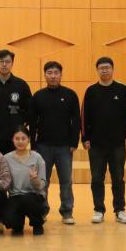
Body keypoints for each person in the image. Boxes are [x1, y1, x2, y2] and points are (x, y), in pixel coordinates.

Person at [82, 56, 126, 225]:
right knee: (97, 178)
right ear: (97, 70)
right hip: (96, 144)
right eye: (101, 68)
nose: (104, 70)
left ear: (112, 69)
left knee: (118, 178)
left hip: (117, 143)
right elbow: (84, 116)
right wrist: (85, 138)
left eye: (107, 67)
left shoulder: (123, 89)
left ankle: (120, 210)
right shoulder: (91, 91)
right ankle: (98, 210)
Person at [28, 60, 81, 225]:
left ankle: (67, 211)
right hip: (43, 146)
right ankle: (42, 210)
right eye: (49, 73)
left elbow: (76, 121)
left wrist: (74, 142)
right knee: (43, 181)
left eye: (56, 73)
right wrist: (33, 145)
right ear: (45, 75)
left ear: (61, 75)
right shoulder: (38, 96)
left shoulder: (70, 95)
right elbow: (33, 122)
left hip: (65, 146)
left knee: (66, 181)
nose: (53, 76)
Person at [0, 49, 31, 154]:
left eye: (7, 61)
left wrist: (21, 124)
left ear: (12, 63)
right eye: (1, 61)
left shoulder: (21, 85)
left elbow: (29, 109)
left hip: (16, 137)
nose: (4, 64)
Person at [3, 126, 48, 235]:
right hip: (15, 196)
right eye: (17, 138)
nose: (20, 141)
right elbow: (4, 182)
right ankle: (18, 223)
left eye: (23, 138)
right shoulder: (6, 158)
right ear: (12, 140)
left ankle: (37, 223)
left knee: (27, 199)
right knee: (9, 220)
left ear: (28, 140)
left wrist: (34, 180)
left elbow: (41, 185)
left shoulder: (37, 158)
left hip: (33, 196)